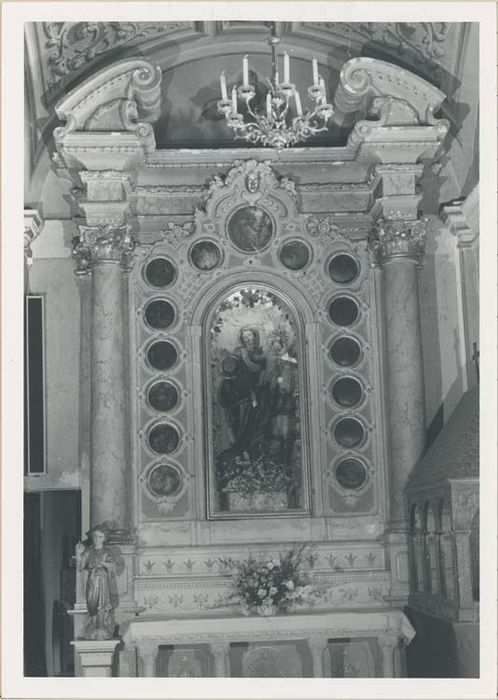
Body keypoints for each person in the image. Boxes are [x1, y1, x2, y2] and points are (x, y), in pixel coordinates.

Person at [217, 327, 271, 455]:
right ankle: (239, 445)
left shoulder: (260, 353)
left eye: (249, 335)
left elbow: (263, 370)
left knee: (257, 418)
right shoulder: (239, 352)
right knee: (241, 418)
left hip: (257, 388)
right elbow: (232, 366)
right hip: (242, 388)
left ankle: (254, 445)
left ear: (254, 336)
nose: (247, 338)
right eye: (244, 336)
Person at [75, 525, 116, 640]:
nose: (97, 539)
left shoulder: (107, 552)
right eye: (95, 536)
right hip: (92, 578)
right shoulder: (89, 551)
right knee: (91, 601)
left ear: (104, 538)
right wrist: (78, 554)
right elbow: (81, 567)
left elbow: (112, 565)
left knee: (102, 601)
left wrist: (103, 564)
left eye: (100, 536)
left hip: (102, 579)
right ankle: (92, 622)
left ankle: (101, 622)